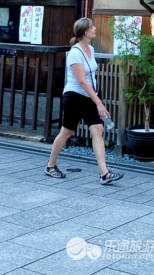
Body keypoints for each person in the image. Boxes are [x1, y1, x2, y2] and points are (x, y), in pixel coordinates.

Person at [45, 17, 123, 185]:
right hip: (74, 97)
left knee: (98, 131)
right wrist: (100, 104)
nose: (95, 28)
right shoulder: (74, 52)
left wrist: (96, 99)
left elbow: (91, 77)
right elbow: (82, 81)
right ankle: (51, 165)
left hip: (90, 96)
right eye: (92, 27)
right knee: (67, 132)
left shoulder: (91, 49)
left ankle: (104, 173)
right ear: (86, 32)